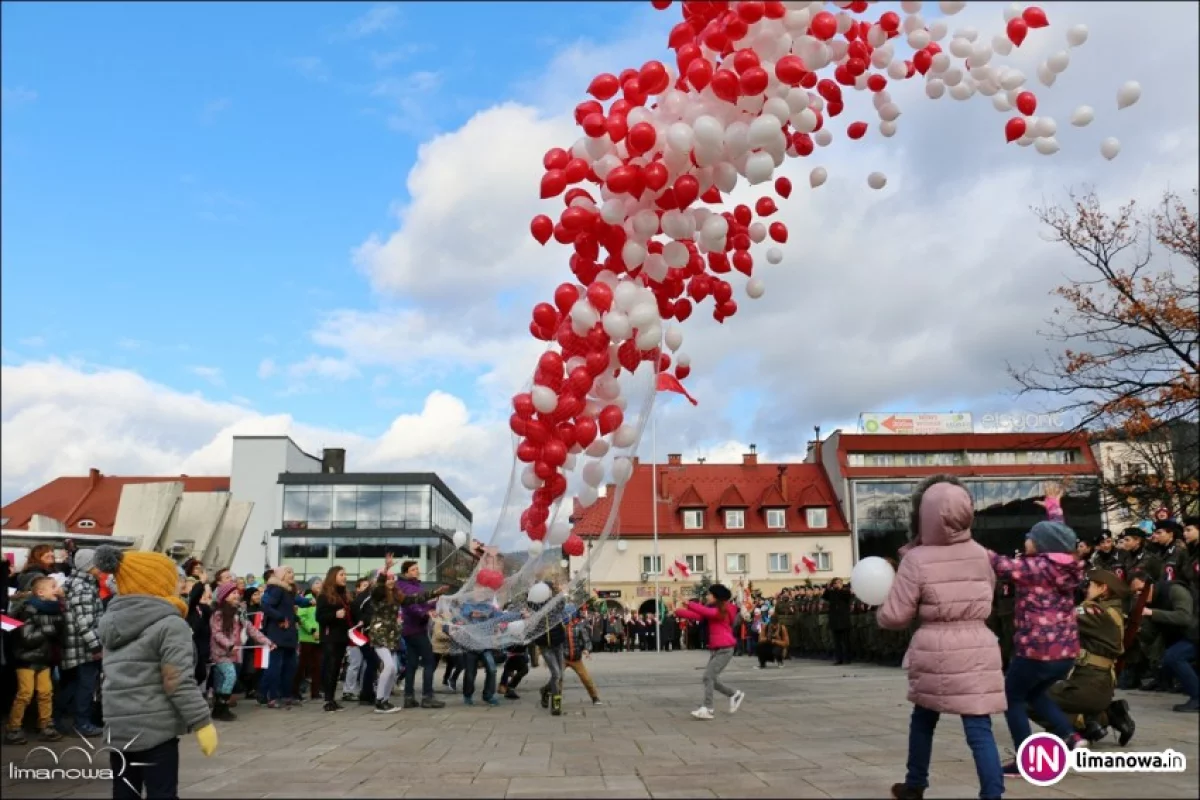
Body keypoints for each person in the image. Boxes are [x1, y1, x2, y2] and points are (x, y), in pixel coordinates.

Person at [876, 476, 1004, 800]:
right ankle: (993, 794)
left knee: (923, 717)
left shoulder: (916, 560)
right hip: (978, 641)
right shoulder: (984, 555)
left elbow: (896, 616)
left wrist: (880, 608)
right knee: (979, 727)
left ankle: (915, 784)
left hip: (935, 644)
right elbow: (988, 594)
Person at [93, 545, 217, 800]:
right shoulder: (170, 624)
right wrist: (202, 722)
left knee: (124, 794)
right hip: (155, 731)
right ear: (158, 582)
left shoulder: (112, 621)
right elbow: (177, 680)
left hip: (118, 728)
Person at [990, 521, 1087, 772]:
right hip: (1065, 651)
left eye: (1030, 536)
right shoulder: (1067, 566)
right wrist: (1054, 508)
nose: (1026, 539)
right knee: (1033, 694)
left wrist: (964, 542)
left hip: (1036, 650)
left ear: (1043, 544)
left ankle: (1027, 760)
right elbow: (1061, 535)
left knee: (1011, 698)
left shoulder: (1035, 567)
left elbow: (999, 564)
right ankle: (1072, 738)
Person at [1034, 569, 1136, 746]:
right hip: (1099, 683)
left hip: (1089, 685)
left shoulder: (1096, 611)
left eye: (1090, 585)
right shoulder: (1113, 609)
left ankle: (1076, 729)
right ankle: (1106, 715)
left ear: (1103, 588)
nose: (1085, 589)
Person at [4, 576, 64, 744]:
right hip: (26, 659)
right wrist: (50, 629)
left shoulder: (55, 610)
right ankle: (13, 728)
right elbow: (26, 638)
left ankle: (46, 725)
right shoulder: (29, 609)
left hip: (44, 659)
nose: (57, 589)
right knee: (25, 693)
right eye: (53, 586)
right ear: (41, 592)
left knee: (46, 692)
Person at [1131, 568, 1199, 712]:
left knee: (1174, 657)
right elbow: (1151, 637)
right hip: (1183, 638)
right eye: (1135, 592)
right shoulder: (1150, 603)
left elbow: (1184, 617)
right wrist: (1138, 630)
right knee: (1169, 660)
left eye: (1140, 590)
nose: (1138, 595)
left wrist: (1152, 613)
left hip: (1194, 634)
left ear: (1149, 585)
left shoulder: (1174, 590)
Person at [674, 584, 744, 721]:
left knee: (708, 677)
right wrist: (677, 611)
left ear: (716, 597)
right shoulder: (714, 610)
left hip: (725, 648)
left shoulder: (723, 610)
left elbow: (704, 612)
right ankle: (734, 694)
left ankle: (708, 708)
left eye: (709, 594)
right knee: (712, 680)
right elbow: (697, 615)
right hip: (717, 649)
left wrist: (687, 602)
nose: (707, 596)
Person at [56, 547, 105, 737]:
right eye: (97, 564)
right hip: (84, 645)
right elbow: (84, 620)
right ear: (89, 566)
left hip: (77, 643)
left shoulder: (76, 583)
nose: (101, 568)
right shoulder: (83, 587)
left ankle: (54, 718)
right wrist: (95, 645)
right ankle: (81, 723)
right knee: (85, 684)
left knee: (75, 683)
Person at [209, 582, 274, 722]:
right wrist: (229, 645)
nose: (236, 595)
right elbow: (217, 633)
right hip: (221, 652)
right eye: (232, 593)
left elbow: (251, 630)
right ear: (224, 596)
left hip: (235, 653)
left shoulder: (240, 613)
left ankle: (218, 709)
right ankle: (223, 708)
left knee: (222, 681)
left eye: (237, 593)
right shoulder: (218, 613)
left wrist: (267, 642)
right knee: (230, 676)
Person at [396, 560, 446, 710]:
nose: (416, 571)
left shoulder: (416, 585)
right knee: (429, 661)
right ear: (405, 573)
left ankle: (409, 697)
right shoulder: (405, 587)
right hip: (414, 629)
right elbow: (412, 607)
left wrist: (433, 604)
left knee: (411, 664)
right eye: (412, 570)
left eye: (417, 569)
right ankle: (427, 697)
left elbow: (422, 603)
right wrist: (425, 614)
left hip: (413, 629)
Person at [259, 565, 310, 709]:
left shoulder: (287, 591)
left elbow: (297, 601)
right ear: (280, 575)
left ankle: (286, 695)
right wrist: (280, 618)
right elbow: (266, 605)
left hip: (289, 634)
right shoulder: (276, 589)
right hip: (278, 632)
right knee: (275, 666)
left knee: (290, 666)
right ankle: (271, 696)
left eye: (292, 572)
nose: (291, 574)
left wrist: (310, 601)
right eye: (288, 572)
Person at [315, 567, 353, 712]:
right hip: (330, 636)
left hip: (342, 636)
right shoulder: (324, 595)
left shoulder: (344, 594)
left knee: (336, 668)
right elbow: (320, 617)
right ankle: (328, 700)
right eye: (341, 574)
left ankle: (331, 698)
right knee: (330, 668)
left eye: (345, 574)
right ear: (333, 577)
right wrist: (334, 614)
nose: (345, 577)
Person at [366, 574, 402, 714]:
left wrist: (434, 593)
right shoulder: (378, 594)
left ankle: (385, 700)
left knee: (393, 669)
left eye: (393, 578)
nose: (391, 581)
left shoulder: (396, 595)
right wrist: (385, 570)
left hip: (391, 636)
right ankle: (380, 700)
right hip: (379, 634)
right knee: (389, 666)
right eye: (388, 579)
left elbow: (413, 599)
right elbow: (377, 588)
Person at [564, 612, 602, 706]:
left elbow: (587, 640)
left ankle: (594, 697)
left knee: (586, 678)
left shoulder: (579, 628)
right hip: (563, 658)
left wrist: (586, 650)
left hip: (576, 659)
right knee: (556, 679)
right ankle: (550, 694)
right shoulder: (560, 629)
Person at [293, 578, 322, 702]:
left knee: (317, 666)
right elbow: (301, 617)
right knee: (301, 666)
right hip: (306, 637)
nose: (319, 584)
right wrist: (311, 630)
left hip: (320, 637)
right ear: (311, 585)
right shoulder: (307, 599)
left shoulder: (322, 599)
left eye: (321, 582)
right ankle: (294, 691)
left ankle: (315, 692)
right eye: (316, 582)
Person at [823, 579, 853, 665]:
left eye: (838, 583)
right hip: (835, 621)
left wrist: (840, 588)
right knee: (837, 642)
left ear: (841, 584)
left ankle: (848, 658)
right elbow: (825, 596)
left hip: (844, 621)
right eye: (835, 583)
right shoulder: (832, 593)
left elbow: (847, 596)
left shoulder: (845, 592)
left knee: (846, 641)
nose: (836, 585)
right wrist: (828, 587)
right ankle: (839, 659)